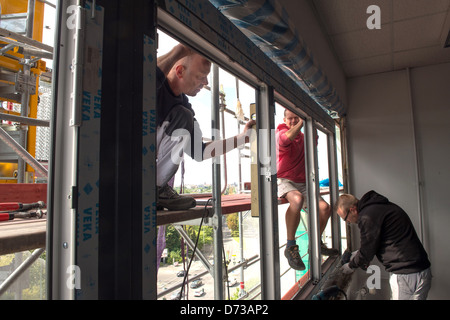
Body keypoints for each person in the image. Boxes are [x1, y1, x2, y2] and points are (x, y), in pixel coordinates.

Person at [156, 43, 255, 210]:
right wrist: (178, 51)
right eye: (201, 76)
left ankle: (156, 188)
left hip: (148, 172)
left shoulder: (184, 107)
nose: (206, 82)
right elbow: (140, 76)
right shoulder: (152, 85)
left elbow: (200, 151)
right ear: (180, 71)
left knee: (184, 115)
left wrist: (243, 138)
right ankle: (153, 187)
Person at [335, 190, 432, 300]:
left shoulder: (367, 216)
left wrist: (350, 266)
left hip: (406, 274)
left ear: (352, 210)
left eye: (345, 218)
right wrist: (358, 254)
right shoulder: (378, 207)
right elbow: (377, 242)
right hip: (420, 270)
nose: (348, 222)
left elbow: (367, 251)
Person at [276, 109, 338, 271]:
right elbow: (284, 141)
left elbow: (314, 139)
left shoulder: (304, 138)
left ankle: (315, 243)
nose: (294, 121)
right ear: (284, 119)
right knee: (296, 200)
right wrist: (304, 120)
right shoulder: (280, 131)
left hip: (303, 182)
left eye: (296, 117)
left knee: (325, 208)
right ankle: (290, 246)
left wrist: (311, 120)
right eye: (290, 118)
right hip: (284, 179)